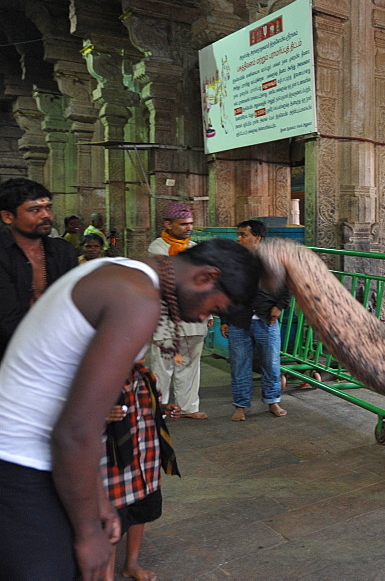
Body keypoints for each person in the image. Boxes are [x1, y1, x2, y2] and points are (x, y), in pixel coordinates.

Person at [0, 239, 260, 579]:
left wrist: (98, 500)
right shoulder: (137, 298)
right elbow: (75, 431)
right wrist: (88, 532)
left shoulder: (123, 272)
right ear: (205, 277)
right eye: (212, 308)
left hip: (36, 457)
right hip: (20, 460)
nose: (202, 316)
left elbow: (82, 418)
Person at [102, 361, 180, 581]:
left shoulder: (146, 377)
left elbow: (152, 407)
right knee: (112, 522)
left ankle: (131, 563)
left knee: (140, 511)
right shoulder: (102, 376)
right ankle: (105, 577)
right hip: (115, 464)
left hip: (146, 458)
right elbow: (79, 418)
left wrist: (165, 409)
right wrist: (104, 415)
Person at [0, 178, 78, 361]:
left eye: (48, 208)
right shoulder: (2, 254)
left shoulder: (62, 251)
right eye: (35, 210)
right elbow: (6, 319)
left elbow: (73, 305)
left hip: (55, 352)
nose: (46, 215)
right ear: (8, 217)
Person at [220, 219, 290, 421]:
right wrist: (225, 319)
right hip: (238, 320)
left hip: (265, 319)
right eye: (239, 234)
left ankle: (273, 401)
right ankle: (240, 406)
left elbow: (286, 287)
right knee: (239, 365)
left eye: (243, 235)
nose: (238, 238)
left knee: (271, 363)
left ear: (257, 238)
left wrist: (278, 307)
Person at [147, 202, 212, 420]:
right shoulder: (157, 248)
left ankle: (188, 407)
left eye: (190, 224)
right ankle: (160, 409)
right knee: (162, 367)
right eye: (183, 224)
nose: (188, 228)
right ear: (168, 224)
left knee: (190, 365)